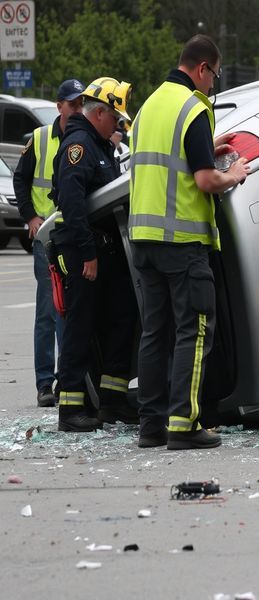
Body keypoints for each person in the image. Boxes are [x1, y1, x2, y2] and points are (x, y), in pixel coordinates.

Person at [128, 35, 250, 450]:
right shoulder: (193, 107)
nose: (213, 84)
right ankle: (184, 423)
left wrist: (204, 147)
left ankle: (151, 426)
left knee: (154, 333)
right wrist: (233, 174)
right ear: (202, 69)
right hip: (182, 240)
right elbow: (205, 179)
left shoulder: (148, 107)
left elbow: (167, 160)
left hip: (144, 238)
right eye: (214, 76)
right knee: (193, 331)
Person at [50, 77, 136, 432]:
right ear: (99, 113)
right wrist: (87, 253)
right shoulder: (79, 145)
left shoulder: (100, 145)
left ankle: (112, 400)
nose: (117, 126)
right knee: (81, 325)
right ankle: (70, 409)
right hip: (83, 252)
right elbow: (71, 202)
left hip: (104, 251)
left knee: (121, 317)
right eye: (114, 119)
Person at [12, 79, 84, 408]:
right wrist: (30, 217)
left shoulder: (82, 138)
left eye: (81, 104)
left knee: (70, 311)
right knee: (48, 311)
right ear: (59, 107)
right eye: (72, 104)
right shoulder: (41, 138)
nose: (77, 109)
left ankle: (67, 380)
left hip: (73, 236)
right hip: (47, 239)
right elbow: (21, 179)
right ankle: (45, 383)